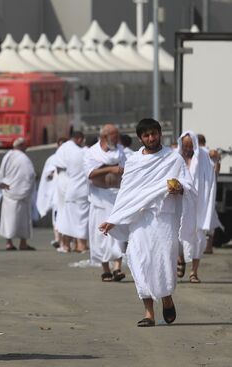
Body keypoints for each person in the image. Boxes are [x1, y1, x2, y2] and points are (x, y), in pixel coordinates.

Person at [100, 118, 196, 327]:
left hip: (164, 219)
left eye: (154, 133)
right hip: (140, 219)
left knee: (163, 262)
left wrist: (179, 188)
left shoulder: (173, 159)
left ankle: (166, 297)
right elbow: (126, 193)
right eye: (146, 135)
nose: (151, 138)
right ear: (140, 138)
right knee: (139, 260)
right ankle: (148, 313)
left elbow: (188, 185)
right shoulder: (133, 162)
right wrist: (113, 219)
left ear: (160, 134)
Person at [84, 124, 127, 282]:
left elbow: (126, 168)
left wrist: (119, 170)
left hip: (116, 196)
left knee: (118, 232)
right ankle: (105, 269)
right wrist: (109, 169)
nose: (116, 139)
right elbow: (90, 173)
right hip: (100, 198)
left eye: (117, 136)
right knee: (101, 235)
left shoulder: (120, 151)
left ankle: (117, 268)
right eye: (114, 136)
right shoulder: (92, 153)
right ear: (104, 137)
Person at [176, 131, 215, 283]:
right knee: (178, 233)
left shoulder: (203, 158)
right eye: (185, 145)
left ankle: (194, 272)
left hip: (199, 202)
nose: (187, 148)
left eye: (190, 145)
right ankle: (180, 258)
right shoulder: (176, 157)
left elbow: (210, 179)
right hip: (180, 202)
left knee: (198, 237)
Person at [0, 138, 36, 250]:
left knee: (8, 218)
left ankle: (9, 243)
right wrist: (26, 188)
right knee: (23, 219)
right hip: (21, 192)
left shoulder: (7, 156)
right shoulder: (24, 158)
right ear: (21, 145)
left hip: (8, 191)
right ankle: (22, 243)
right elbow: (29, 175)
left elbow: (1, 173)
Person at [55, 131, 89, 253]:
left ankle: (66, 245)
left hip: (67, 186)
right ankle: (81, 245)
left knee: (66, 218)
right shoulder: (84, 153)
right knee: (81, 219)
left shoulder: (65, 149)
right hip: (79, 189)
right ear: (79, 139)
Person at [36, 137, 67, 248]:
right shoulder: (52, 159)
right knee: (56, 215)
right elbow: (47, 176)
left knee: (66, 215)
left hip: (68, 192)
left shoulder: (70, 157)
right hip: (56, 193)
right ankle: (57, 238)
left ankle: (66, 241)